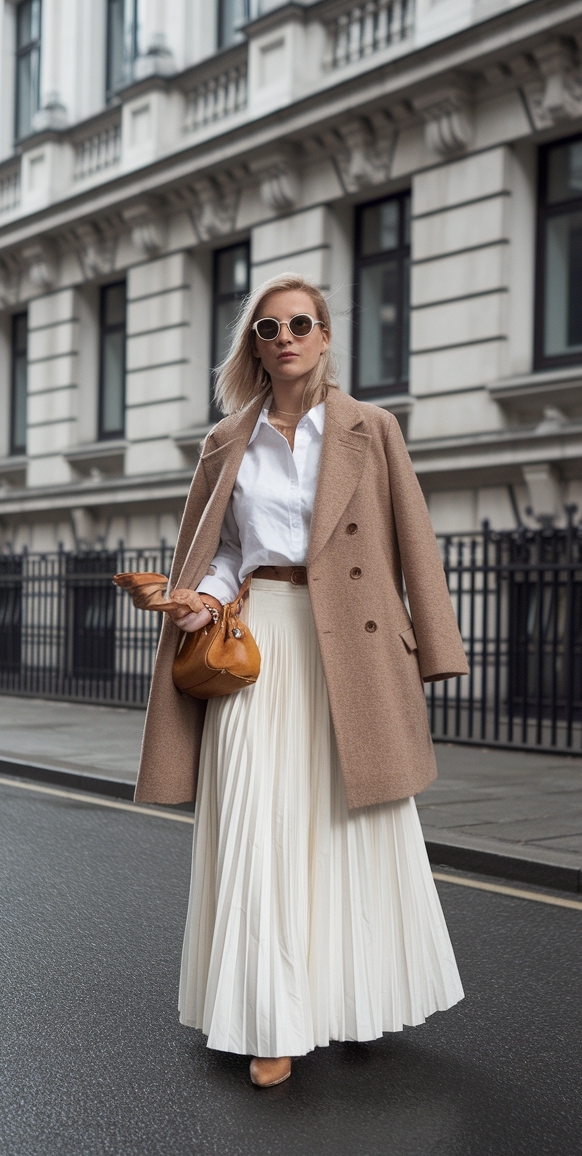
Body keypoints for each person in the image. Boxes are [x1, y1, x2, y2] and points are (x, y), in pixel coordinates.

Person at [135, 273, 469, 1088]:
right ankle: (268, 1019)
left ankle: (354, 1000)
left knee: (349, 825)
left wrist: (435, 647)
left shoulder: (370, 428)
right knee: (257, 820)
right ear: (254, 344)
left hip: (351, 645)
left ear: (324, 336)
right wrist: (194, 601)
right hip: (261, 640)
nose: (285, 337)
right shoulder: (227, 441)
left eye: (301, 323)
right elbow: (218, 553)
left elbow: (415, 541)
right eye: (268, 327)